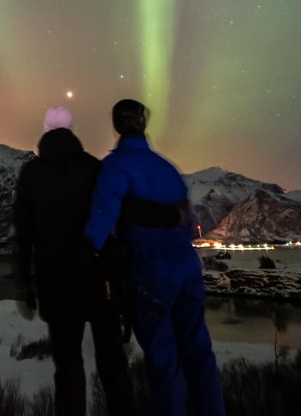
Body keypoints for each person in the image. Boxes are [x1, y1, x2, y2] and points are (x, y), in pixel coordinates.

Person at [83, 99, 226, 416]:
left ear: (117, 126)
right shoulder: (168, 168)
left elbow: (103, 215)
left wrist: (85, 253)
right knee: (198, 351)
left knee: (163, 359)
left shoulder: (116, 166)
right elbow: (186, 221)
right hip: (187, 269)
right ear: (143, 124)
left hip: (150, 272)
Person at [13, 107, 135, 416]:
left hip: (56, 282)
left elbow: (24, 232)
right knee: (113, 361)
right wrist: (123, 283)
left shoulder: (32, 174)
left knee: (67, 366)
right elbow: (114, 222)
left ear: (44, 134)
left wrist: (23, 282)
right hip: (99, 278)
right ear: (72, 134)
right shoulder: (94, 167)